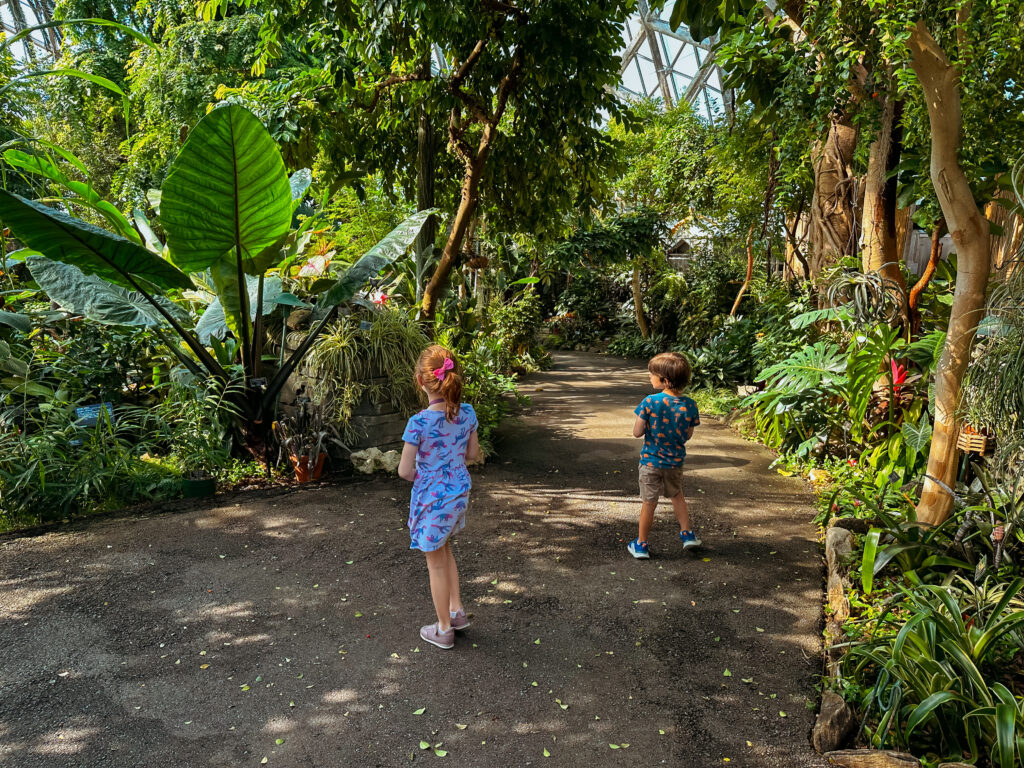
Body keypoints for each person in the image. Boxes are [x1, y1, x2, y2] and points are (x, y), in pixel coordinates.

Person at [397, 345, 481, 649]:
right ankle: (456, 611)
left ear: (421, 380)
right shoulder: (467, 413)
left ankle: (443, 628)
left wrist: (429, 474)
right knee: (444, 550)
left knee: (434, 561)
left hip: (432, 498)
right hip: (458, 494)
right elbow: (472, 454)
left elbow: (405, 471)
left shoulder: (418, 423)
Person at [627, 351, 701, 559]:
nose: (649, 377)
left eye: (652, 374)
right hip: (675, 462)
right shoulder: (690, 405)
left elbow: (637, 432)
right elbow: (687, 434)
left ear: (665, 380)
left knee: (649, 502)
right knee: (677, 496)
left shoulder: (650, 402)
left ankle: (641, 545)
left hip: (651, 462)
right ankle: (687, 534)